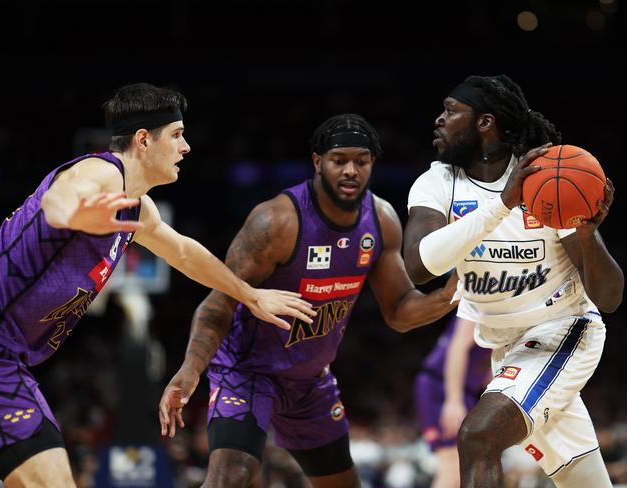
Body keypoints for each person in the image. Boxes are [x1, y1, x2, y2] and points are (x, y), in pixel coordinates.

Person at [0, 82, 316, 487]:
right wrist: (77, 217)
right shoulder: (98, 173)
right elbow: (60, 199)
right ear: (143, 139)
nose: (186, 147)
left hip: (2, 356)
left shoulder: (138, 208)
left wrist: (250, 294)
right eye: (177, 135)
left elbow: (185, 254)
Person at [159, 113, 459, 488]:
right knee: (231, 476)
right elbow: (218, 303)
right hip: (248, 372)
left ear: (372, 164)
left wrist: (450, 295)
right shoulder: (276, 222)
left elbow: (399, 313)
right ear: (318, 162)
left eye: (361, 161)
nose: (350, 170)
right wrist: (191, 369)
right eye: (339, 160)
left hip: (310, 383)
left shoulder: (381, 220)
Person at [403, 74, 623, 487]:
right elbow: (418, 266)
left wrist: (588, 234)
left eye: (451, 111)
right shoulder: (437, 182)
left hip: (563, 332)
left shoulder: (545, 179)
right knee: (584, 481)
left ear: (485, 122)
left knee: (478, 435)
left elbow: (609, 297)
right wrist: (503, 204)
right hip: (505, 346)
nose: (439, 119)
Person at [414, 315, 491, 488]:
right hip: (443, 386)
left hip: (465, 391)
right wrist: (453, 401)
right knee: (453, 465)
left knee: (467, 468)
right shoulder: (483, 299)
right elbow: (458, 346)